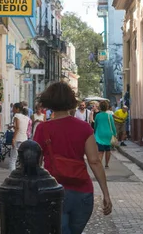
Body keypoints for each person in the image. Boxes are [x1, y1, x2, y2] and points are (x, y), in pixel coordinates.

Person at [33, 82, 112, 234]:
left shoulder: (43, 129)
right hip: (82, 191)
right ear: (71, 102)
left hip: (53, 192)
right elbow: (94, 161)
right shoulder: (84, 128)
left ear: (49, 102)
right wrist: (106, 194)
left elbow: (36, 164)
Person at [93, 100, 117, 169]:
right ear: (107, 107)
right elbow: (113, 126)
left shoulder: (97, 115)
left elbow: (95, 125)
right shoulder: (109, 116)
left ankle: (99, 164)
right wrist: (115, 134)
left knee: (100, 151)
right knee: (108, 150)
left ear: (100, 107)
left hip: (99, 134)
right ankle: (106, 164)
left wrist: (94, 132)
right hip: (108, 134)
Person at [9, 103, 31, 171]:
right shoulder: (27, 118)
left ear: (17, 109)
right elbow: (22, 127)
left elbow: (17, 128)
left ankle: (12, 175)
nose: (12, 109)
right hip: (24, 139)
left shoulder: (16, 115)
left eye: (14, 108)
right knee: (23, 159)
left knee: (13, 159)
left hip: (17, 139)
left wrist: (13, 138)